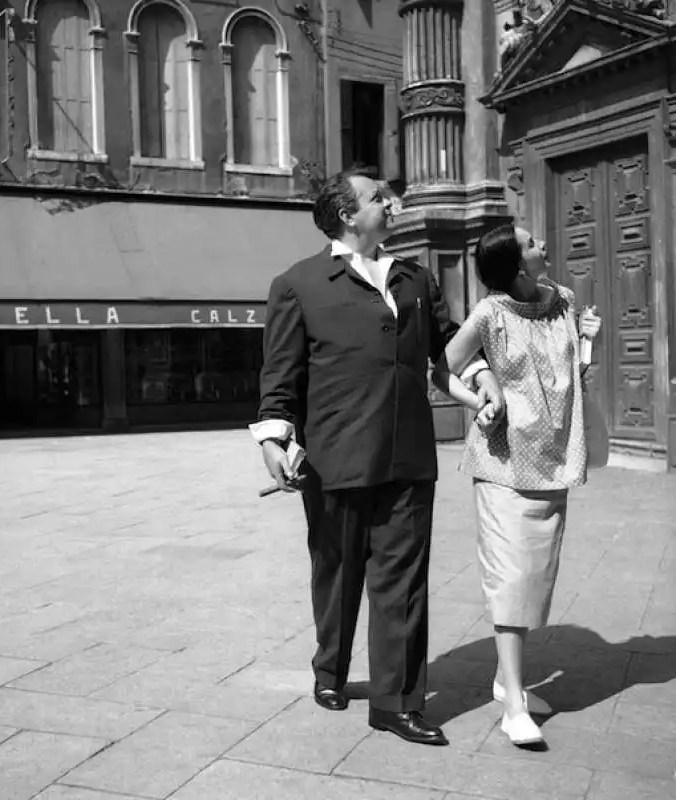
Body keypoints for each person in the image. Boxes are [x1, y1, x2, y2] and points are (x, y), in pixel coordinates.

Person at [249, 169, 505, 747]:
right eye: (377, 198)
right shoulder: (299, 283)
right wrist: (274, 438)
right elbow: (281, 373)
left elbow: (449, 344)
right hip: (335, 456)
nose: (391, 204)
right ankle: (331, 668)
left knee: (404, 581)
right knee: (337, 573)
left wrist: (481, 372)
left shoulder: (415, 279)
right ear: (346, 214)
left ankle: (395, 703)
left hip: (409, 455)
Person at [431, 223, 601, 747]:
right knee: (511, 577)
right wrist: (479, 400)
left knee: (536, 575)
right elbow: (442, 370)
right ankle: (515, 705)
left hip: (553, 458)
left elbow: (570, 372)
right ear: (514, 263)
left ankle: (507, 683)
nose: (542, 246)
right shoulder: (489, 313)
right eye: (531, 244)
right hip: (503, 461)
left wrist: (588, 341)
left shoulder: (563, 300)